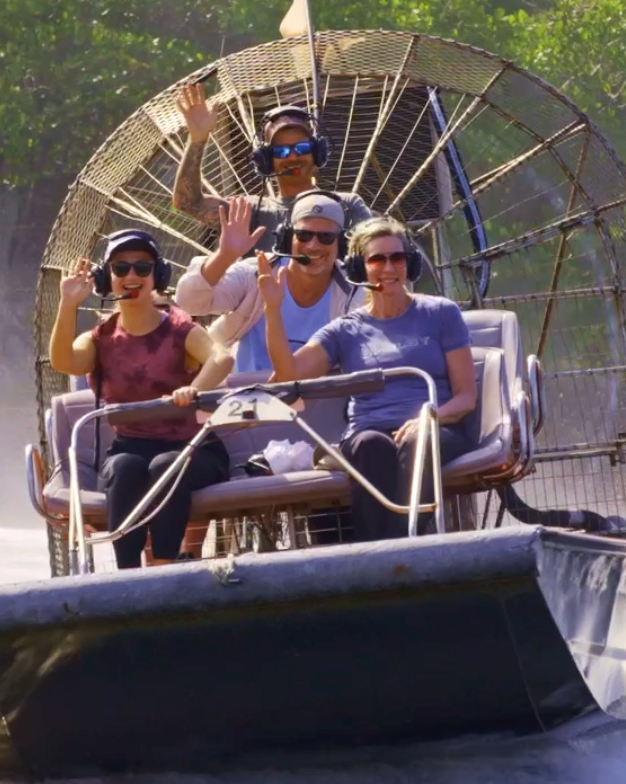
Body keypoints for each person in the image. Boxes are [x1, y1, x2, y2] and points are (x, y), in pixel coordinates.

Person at [257, 216, 477, 542]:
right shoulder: (345, 329)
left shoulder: (441, 313)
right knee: (371, 446)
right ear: (361, 268)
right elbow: (287, 375)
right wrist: (273, 309)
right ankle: (376, 554)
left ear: (410, 263)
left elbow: (465, 397)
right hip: (369, 429)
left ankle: (403, 547)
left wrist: (430, 417)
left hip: (436, 426)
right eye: (377, 259)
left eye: (397, 258)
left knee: (418, 443)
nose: (389, 267)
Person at [48, 229, 231, 569]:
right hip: (131, 446)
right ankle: (128, 574)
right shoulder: (100, 338)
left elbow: (222, 358)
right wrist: (68, 303)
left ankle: (163, 567)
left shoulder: (180, 329)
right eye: (120, 269)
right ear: (107, 278)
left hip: (192, 448)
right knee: (124, 467)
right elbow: (64, 361)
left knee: (165, 466)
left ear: (157, 277)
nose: (131, 277)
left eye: (142, 269)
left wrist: (194, 389)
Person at [171, 82, 371, 249]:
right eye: (281, 151)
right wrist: (197, 139)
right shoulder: (248, 212)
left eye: (301, 148)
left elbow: (373, 257)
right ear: (265, 160)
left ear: (316, 151)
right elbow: (187, 201)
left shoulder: (347, 206)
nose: (293, 156)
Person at [174, 191, 360, 369]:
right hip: (247, 395)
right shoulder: (256, 273)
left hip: (323, 398)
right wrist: (225, 255)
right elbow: (189, 303)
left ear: (341, 244)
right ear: (287, 239)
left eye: (326, 237)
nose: (313, 245)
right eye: (303, 235)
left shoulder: (355, 292)